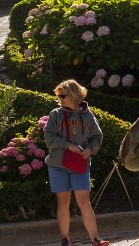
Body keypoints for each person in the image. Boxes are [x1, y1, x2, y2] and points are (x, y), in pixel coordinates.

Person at [43, 79, 110, 246]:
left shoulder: (88, 115)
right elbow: (49, 138)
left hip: (80, 164)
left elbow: (97, 137)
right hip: (58, 165)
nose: (60, 99)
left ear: (73, 95)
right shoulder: (55, 114)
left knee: (84, 201)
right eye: (58, 96)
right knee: (63, 202)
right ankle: (65, 240)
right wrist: (68, 145)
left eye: (63, 96)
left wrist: (90, 149)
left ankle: (95, 239)